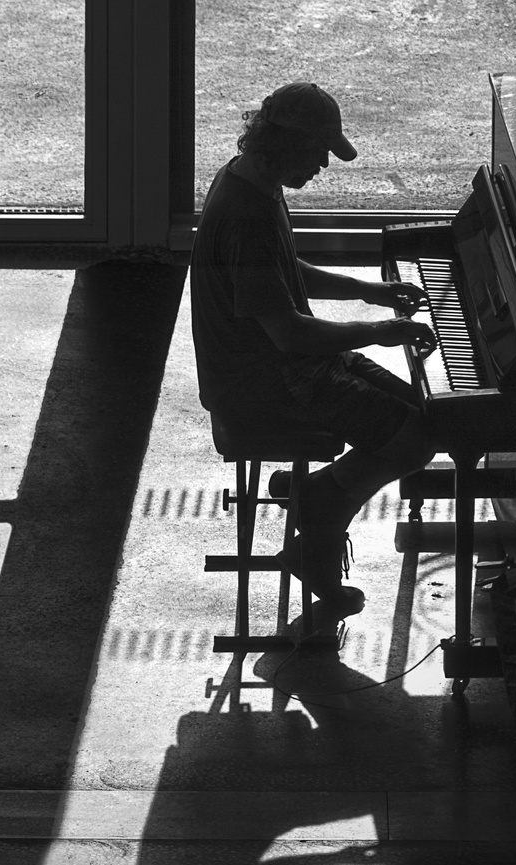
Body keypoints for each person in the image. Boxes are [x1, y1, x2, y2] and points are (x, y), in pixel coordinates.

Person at [192, 81, 441, 618]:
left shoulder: (246, 182)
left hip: (285, 365)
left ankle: (322, 491)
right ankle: (322, 510)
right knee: (415, 437)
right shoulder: (247, 218)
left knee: (428, 415)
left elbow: (281, 276)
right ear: (282, 143)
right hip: (265, 379)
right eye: (318, 151)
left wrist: (368, 292)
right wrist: (376, 331)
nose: (324, 164)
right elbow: (292, 334)